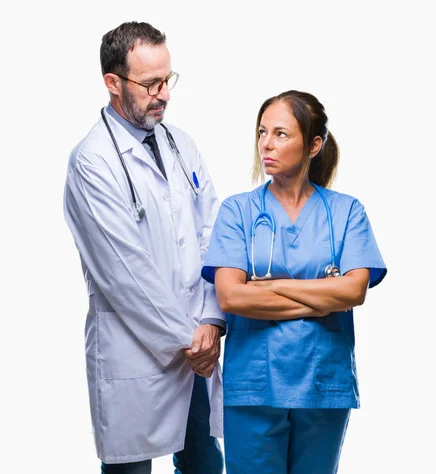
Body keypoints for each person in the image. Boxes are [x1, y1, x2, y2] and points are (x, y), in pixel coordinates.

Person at [63, 21, 225, 473]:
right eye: (151, 83)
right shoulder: (91, 163)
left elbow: (214, 234)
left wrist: (211, 320)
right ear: (113, 83)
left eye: (167, 80)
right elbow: (123, 271)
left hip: (198, 344)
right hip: (140, 351)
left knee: (204, 463)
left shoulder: (181, 145)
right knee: (131, 469)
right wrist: (188, 339)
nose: (164, 94)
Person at [200, 90, 387, 474]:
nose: (266, 144)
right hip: (254, 385)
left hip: (323, 386)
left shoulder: (346, 211)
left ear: (314, 145)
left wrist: (266, 287)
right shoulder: (238, 210)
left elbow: (354, 292)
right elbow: (231, 296)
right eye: (262, 132)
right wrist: (324, 297)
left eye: (281, 134)